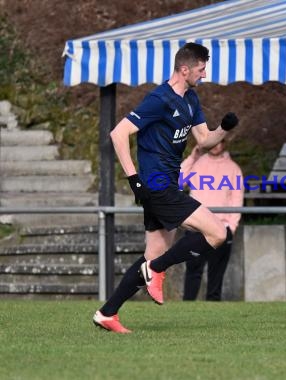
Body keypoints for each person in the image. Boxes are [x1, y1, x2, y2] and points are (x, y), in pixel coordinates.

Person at [92, 42, 239, 333]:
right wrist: (134, 179)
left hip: (168, 183)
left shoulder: (191, 99)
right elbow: (118, 134)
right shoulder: (159, 99)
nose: (205, 74)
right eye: (201, 69)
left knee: (154, 253)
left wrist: (223, 128)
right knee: (218, 232)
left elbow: (204, 140)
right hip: (156, 185)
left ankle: (107, 313)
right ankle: (156, 270)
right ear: (184, 69)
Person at [181, 140, 244, 301]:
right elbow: (178, 181)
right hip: (197, 227)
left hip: (221, 228)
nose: (216, 146)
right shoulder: (196, 164)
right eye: (212, 142)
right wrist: (193, 156)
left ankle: (213, 313)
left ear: (224, 144)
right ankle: (186, 309)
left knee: (216, 274)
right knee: (193, 271)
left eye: (219, 142)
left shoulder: (233, 169)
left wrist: (231, 227)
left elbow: (237, 200)